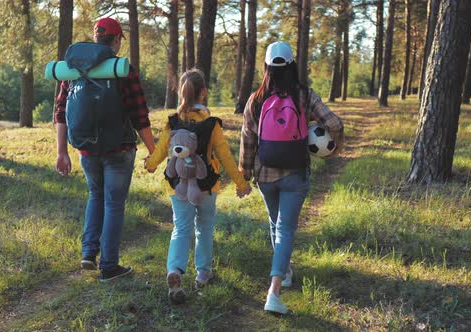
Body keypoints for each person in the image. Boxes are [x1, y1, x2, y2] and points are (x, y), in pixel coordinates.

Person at [239, 41, 344, 314]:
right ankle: (274, 291)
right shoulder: (304, 96)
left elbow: (247, 139)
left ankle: (283, 273)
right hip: (295, 174)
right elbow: (334, 124)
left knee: (276, 225)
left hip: (265, 173)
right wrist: (335, 149)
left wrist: (245, 172)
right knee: (284, 229)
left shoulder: (256, 99)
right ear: (291, 65)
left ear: (266, 67)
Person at [55, 17, 155, 282]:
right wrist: (154, 151)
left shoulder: (74, 68)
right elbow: (139, 114)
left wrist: (61, 152)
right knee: (113, 204)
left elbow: (61, 111)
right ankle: (109, 266)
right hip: (118, 149)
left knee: (95, 196)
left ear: (96, 38)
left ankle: (88, 253)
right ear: (117, 40)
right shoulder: (122, 68)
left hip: (86, 149)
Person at [145, 69, 251, 304]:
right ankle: (203, 273)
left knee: (181, 229)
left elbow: (162, 149)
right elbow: (225, 157)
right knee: (204, 227)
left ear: (181, 92)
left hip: (178, 187)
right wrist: (241, 183)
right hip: (206, 187)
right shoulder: (211, 124)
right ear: (203, 93)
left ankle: (174, 270)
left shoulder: (173, 121)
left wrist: (151, 164)